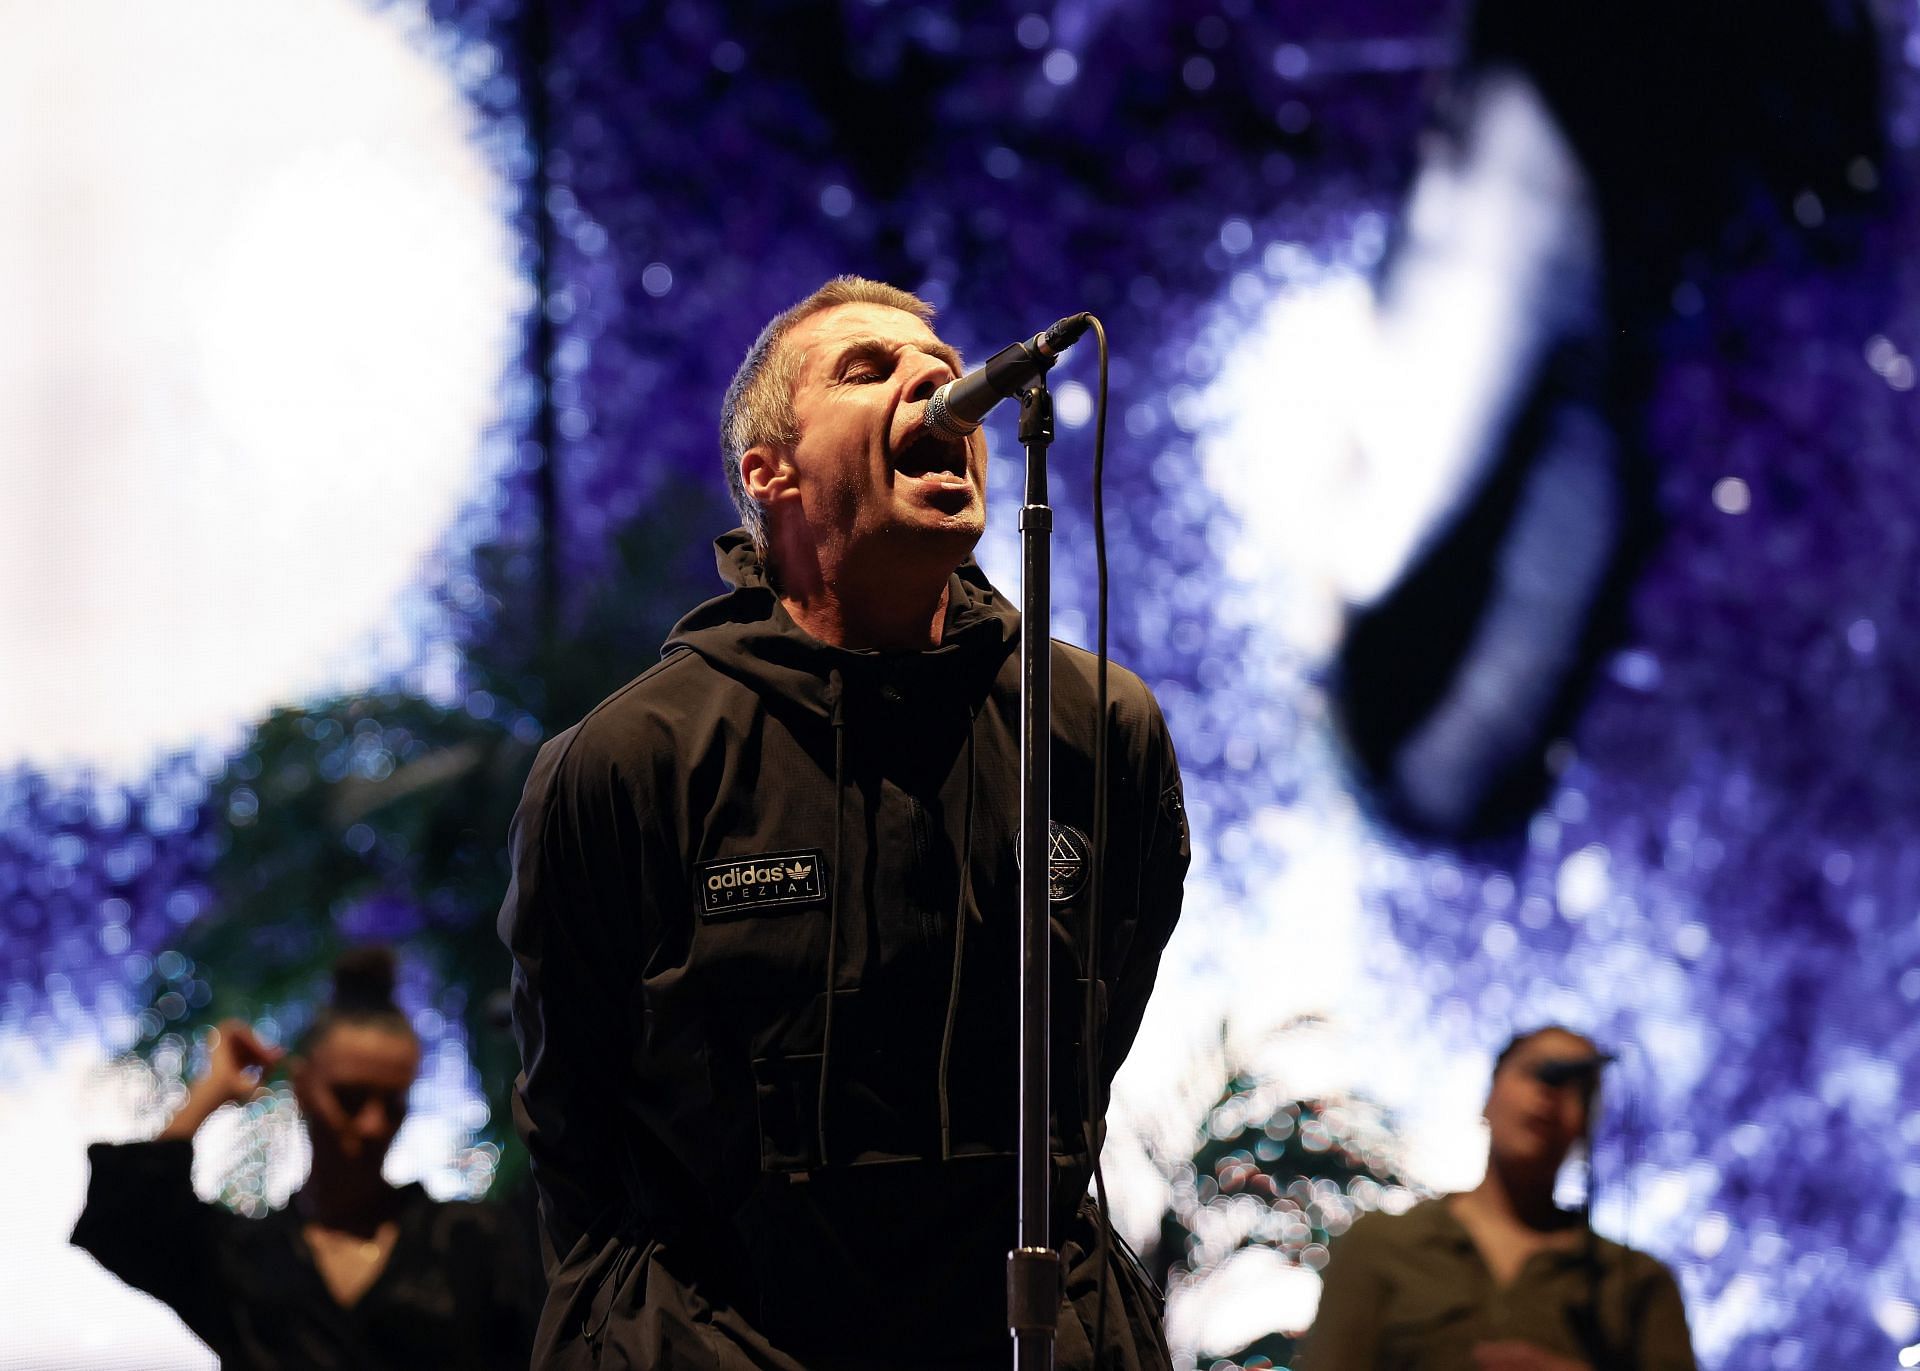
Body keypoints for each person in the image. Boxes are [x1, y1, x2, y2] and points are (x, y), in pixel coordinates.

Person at [499, 275, 1190, 1369]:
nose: (934, 382)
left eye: (939, 361)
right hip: (731, 1339)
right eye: (866, 370)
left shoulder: (1097, 730)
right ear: (768, 472)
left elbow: (1105, 1008)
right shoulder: (632, 760)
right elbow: (573, 1124)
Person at [71, 947, 539, 1370]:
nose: (375, 1124)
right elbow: (126, 1219)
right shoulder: (245, 1259)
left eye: (392, 1102)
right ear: (302, 1088)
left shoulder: (471, 1241)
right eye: (350, 1098)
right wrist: (210, 1091)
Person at [1303, 1026, 1695, 1371]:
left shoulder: (1637, 1281)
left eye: (1577, 1085)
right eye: (1534, 1071)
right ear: (1487, 1099)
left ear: (1586, 1125)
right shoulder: (1381, 1245)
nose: (1550, 1092)